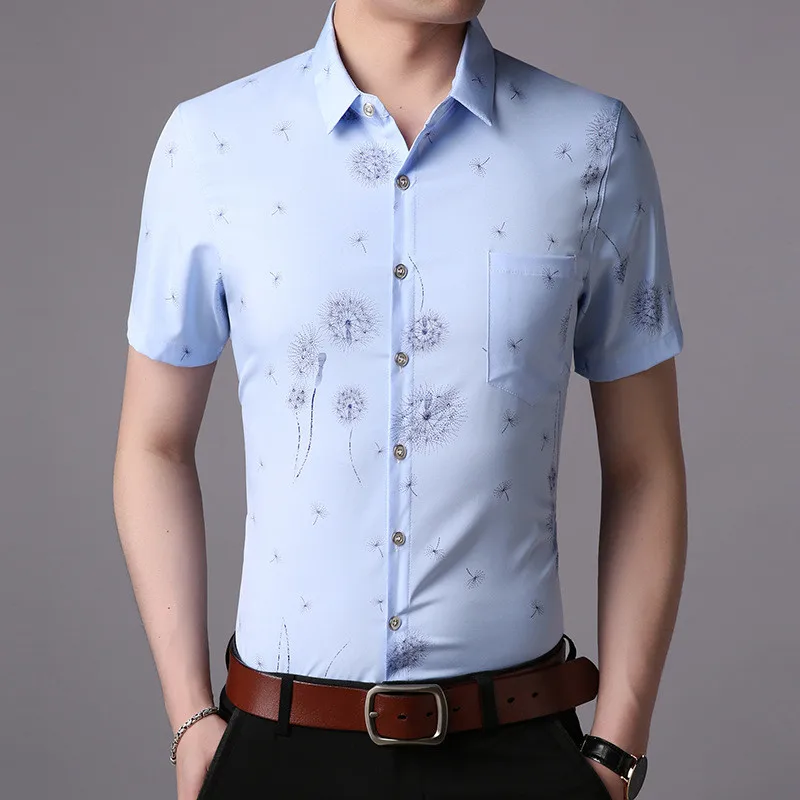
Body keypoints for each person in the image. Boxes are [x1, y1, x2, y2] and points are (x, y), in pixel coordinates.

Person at [113, 0, 687, 798]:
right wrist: (189, 719)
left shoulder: (591, 143)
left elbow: (645, 467)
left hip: (517, 753)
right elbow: (153, 443)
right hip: (276, 753)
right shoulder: (212, 145)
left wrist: (617, 748)